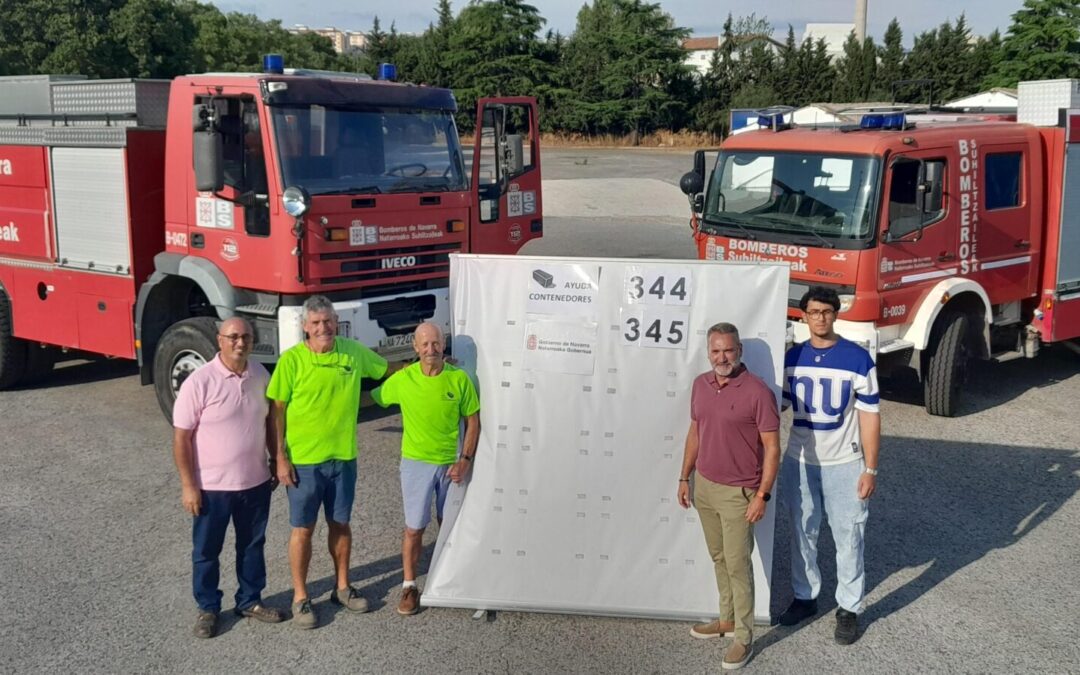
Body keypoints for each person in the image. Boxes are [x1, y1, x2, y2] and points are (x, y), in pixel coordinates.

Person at [268, 296, 389, 629]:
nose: (323, 328)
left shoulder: (352, 352)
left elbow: (386, 370)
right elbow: (276, 412)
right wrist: (279, 457)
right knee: (303, 530)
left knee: (341, 524)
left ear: (336, 322)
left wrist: (427, 365)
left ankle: (342, 587)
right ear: (305, 326)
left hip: (343, 459)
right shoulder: (291, 361)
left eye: (328, 321)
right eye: (316, 323)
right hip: (304, 463)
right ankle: (300, 598)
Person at [778, 286, 881, 645]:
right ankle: (805, 596)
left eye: (826, 311)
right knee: (801, 531)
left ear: (835, 314)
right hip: (800, 460)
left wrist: (870, 468)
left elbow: (869, 416)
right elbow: (775, 407)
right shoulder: (792, 357)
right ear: (803, 315)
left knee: (848, 536)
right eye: (813, 311)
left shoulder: (858, 358)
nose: (819, 318)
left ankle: (848, 608)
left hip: (845, 463)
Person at [172, 317, 285, 639]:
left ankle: (250, 600)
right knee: (207, 551)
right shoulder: (200, 382)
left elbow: (270, 422)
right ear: (220, 340)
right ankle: (208, 608)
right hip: (211, 487)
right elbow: (181, 438)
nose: (240, 342)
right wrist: (189, 486)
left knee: (252, 545)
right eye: (233, 336)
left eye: (246, 337)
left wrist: (275, 459)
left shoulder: (260, 375)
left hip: (255, 482)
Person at [678, 322, 781, 671]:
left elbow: (772, 448)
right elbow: (695, 432)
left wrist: (762, 495)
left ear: (740, 351)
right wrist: (685, 476)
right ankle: (726, 619)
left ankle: (744, 637)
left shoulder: (758, 392)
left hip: (740, 493)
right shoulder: (700, 385)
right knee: (719, 557)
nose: (722, 357)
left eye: (729, 350)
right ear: (708, 352)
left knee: (738, 565)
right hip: (705, 486)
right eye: (716, 351)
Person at [371, 322, 480, 616]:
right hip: (416, 464)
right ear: (416, 348)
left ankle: (451, 580)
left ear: (443, 345)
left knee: (449, 523)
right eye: (425, 344)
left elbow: (473, 421)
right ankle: (409, 586)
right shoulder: (403, 379)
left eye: (436, 343)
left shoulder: (459, 379)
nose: (431, 349)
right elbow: (373, 397)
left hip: (451, 464)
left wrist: (465, 460)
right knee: (414, 528)